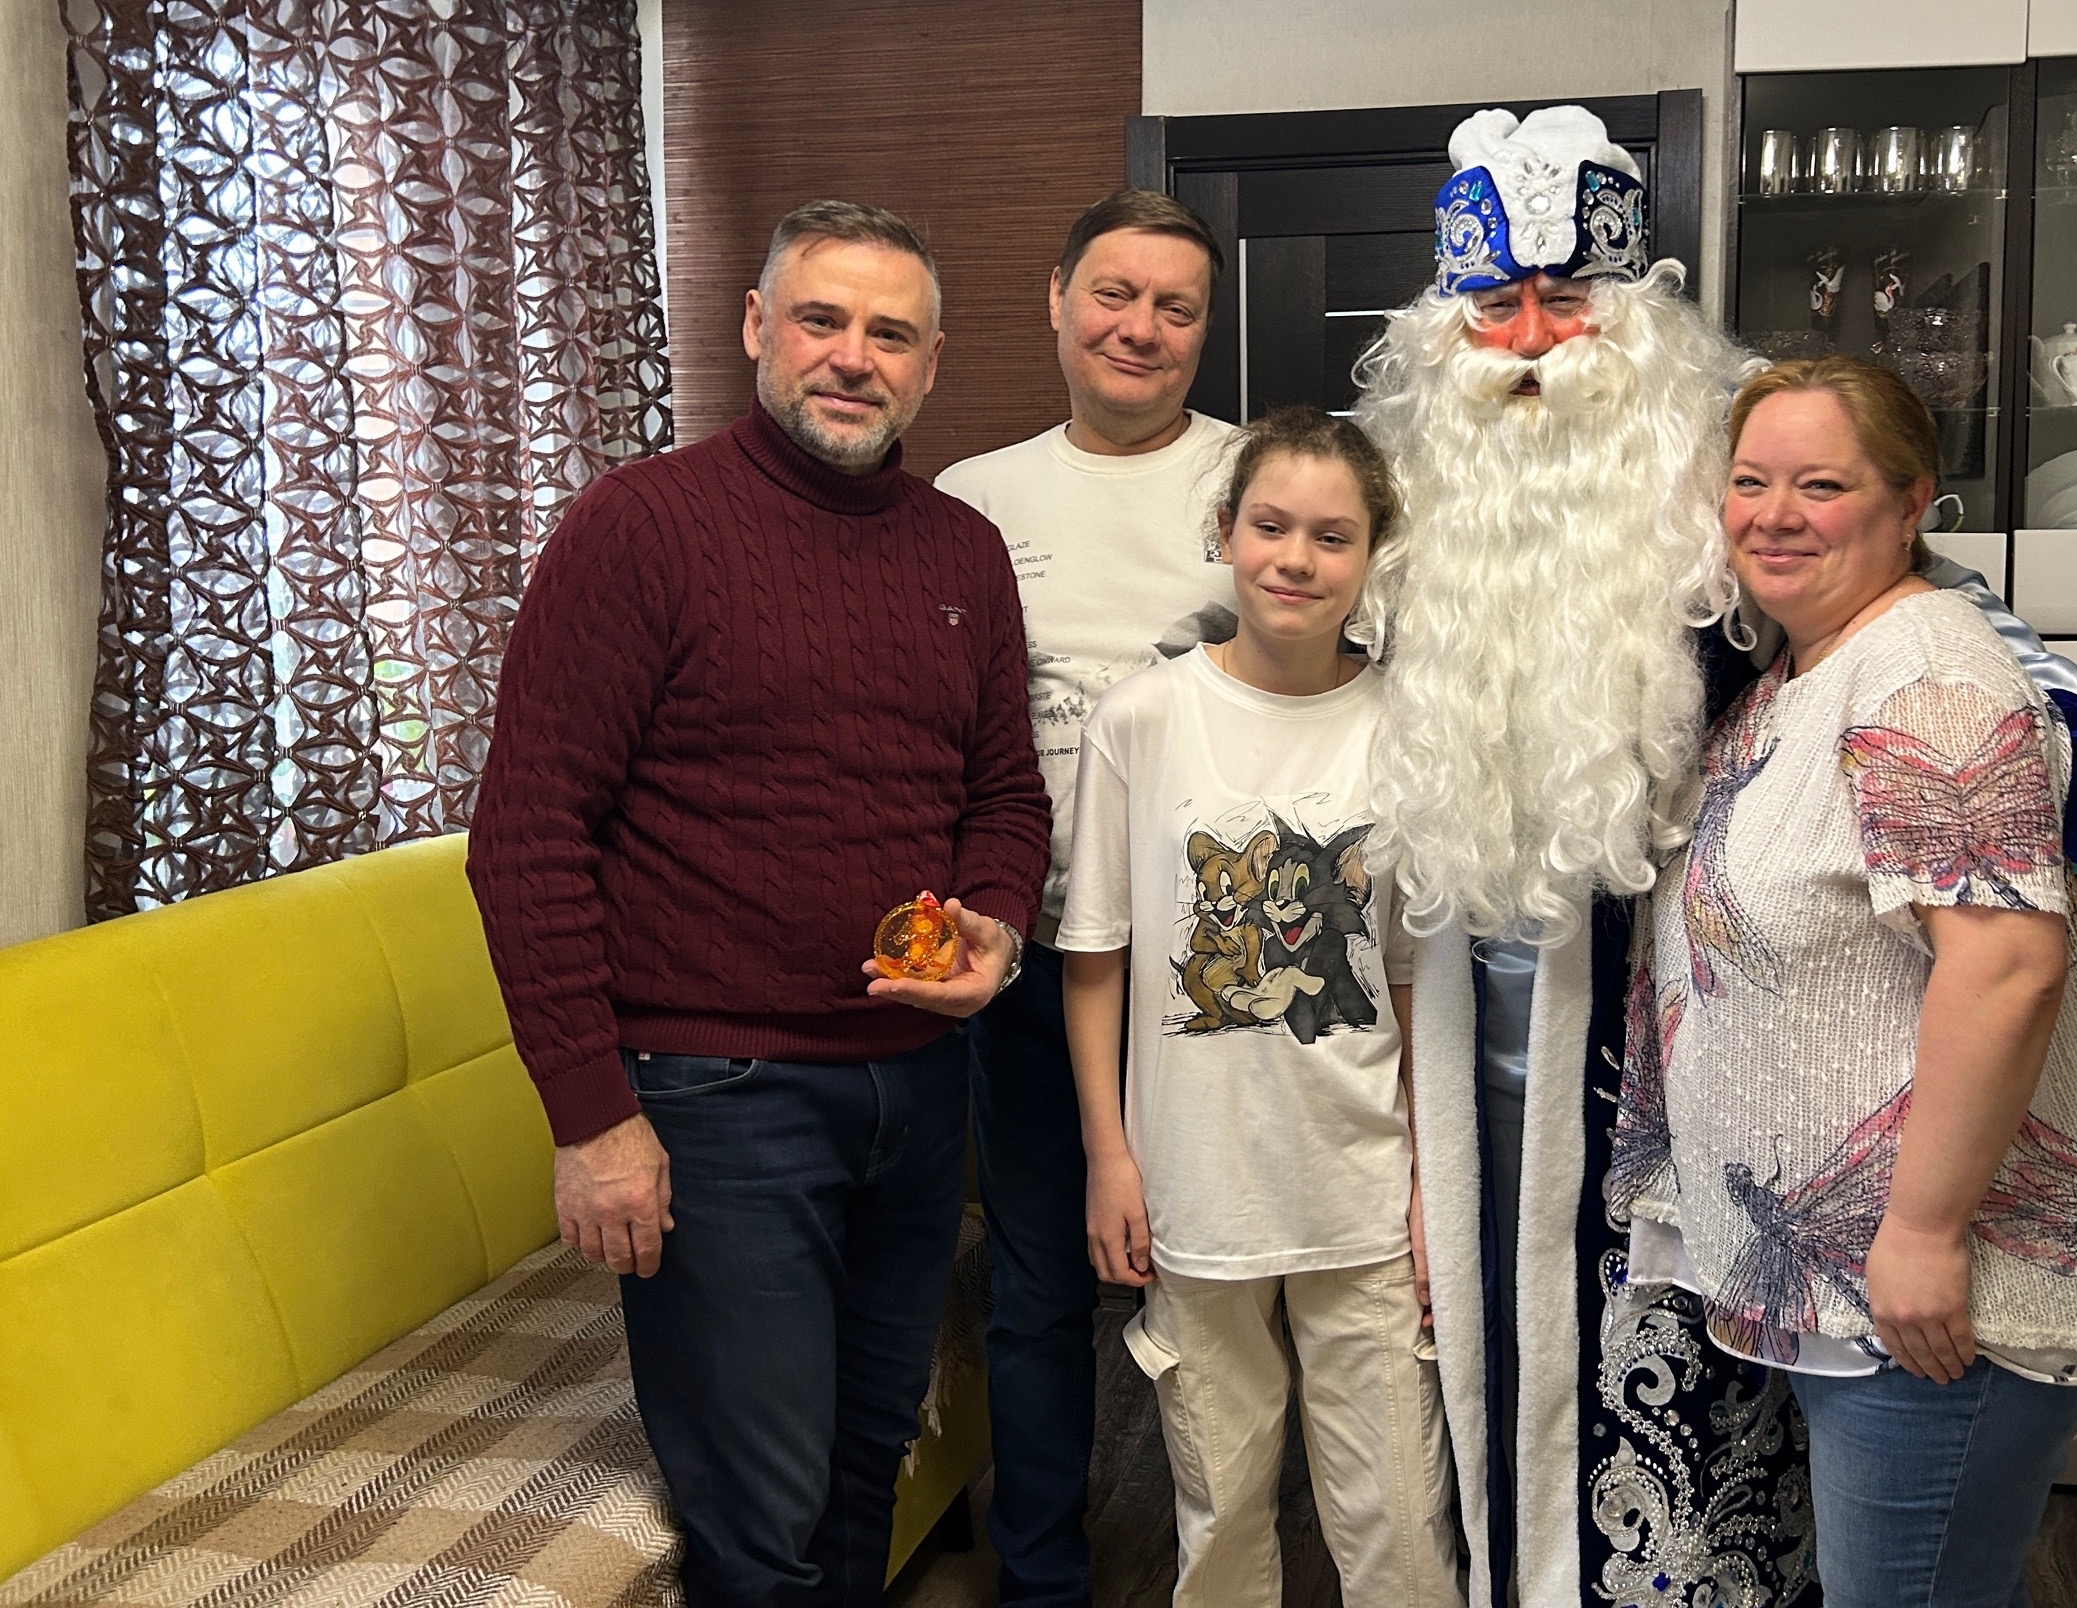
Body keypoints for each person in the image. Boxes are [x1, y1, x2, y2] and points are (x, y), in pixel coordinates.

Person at [1355, 107, 2077, 1606]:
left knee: (1743, 1493)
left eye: (1565, 299)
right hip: (1485, 1080)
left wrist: (2053, 733)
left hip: (1723, 1128)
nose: (1528, 340)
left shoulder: (1736, 562)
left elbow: (2006, 753)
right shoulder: (1402, 537)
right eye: (1495, 303)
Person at [468, 201, 1048, 1608]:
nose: (853, 357)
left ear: (931, 363)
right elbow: (527, 836)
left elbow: (1003, 795)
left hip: (918, 1091)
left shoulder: (963, 553)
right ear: (755, 328)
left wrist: (995, 923)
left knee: (864, 1477)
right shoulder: (638, 527)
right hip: (717, 1102)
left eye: (890, 334)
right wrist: (593, 1121)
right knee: (760, 1524)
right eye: (820, 319)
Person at [1607, 357, 2077, 1607]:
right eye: (1750, 482)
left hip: (1933, 1298)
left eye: (1821, 485)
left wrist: (1920, 1232)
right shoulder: (1807, 670)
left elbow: (2005, 967)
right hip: (1847, 1290)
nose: (1774, 515)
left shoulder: (1928, 678)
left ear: (1911, 501)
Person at [1057, 407, 1464, 1608]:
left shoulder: (1409, 729)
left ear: (1372, 555)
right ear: (1225, 531)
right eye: (1270, 526)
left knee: (1399, 1519)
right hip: (1197, 1189)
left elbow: (1408, 978)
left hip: (1360, 1189)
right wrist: (1109, 1158)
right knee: (1221, 1507)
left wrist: (1429, 1184)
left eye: (1332, 537)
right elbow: (1096, 958)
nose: (1296, 559)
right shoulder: (1142, 720)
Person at [935, 189, 1236, 1606]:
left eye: (1176, 306)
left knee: (1232, 1283)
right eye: (1114, 294)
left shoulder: (1260, 480)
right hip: (1038, 957)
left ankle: (1233, 1563)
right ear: (1055, 302)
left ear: (1204, 329)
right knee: (1041, 1284)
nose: (1141, 328)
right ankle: (1043, 1578)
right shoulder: (976, 500)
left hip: (1228, 966)